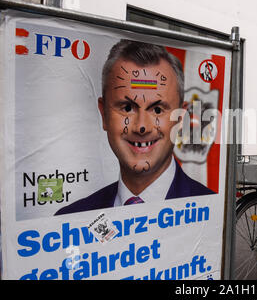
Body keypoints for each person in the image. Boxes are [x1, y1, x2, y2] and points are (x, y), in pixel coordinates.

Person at [56, 40, 215, 216]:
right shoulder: (68, 219)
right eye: (127, 108)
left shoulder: (213, 213)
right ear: (104, 115)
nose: (141, 126)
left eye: (157, 110)